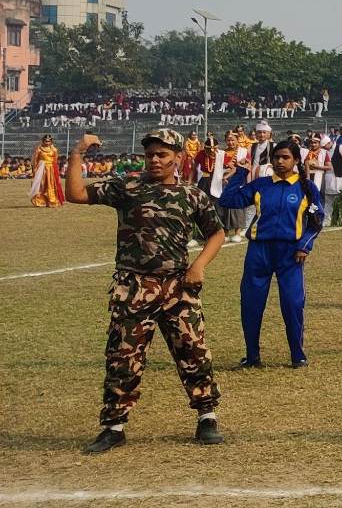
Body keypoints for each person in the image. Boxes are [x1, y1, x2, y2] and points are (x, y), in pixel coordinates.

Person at [69, 129, 228, 453]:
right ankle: (114, 426)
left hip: (177, 286)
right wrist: (77, 154)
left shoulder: (191, 194)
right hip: (134, 287)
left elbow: (217, 233)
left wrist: (198, 267)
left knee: (194, 353)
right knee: (122, 357)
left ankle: (206, 418)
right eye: (151, 154)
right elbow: (75, 194)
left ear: (178, 158)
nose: (155, 160)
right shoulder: (127, 187)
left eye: (163, 154)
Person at [216, 141, 325, 369]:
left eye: (285, 157)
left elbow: (317, 221)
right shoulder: (261, 185)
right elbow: (228, 200)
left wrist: (304, 246)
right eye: (276, 157)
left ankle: (298, 355)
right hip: (259, 252)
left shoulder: (307, 188)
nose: (279, 161)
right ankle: (252, 356)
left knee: (292, 303)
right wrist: (241, 173)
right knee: (251, 303)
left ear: (296, 160)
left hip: (291, 254)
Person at [30, 134, 64, 207]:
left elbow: (55, 160)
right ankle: (40, 201)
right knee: (41, 184)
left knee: (51, 184)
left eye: (49, 141)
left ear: (51, 141)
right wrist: (35, 170)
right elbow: (36, 160)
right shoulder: (39, 150)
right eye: (46, 141)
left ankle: (52, 200)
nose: (47, 143)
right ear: (43, 141)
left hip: (51, 169)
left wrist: (56, 170)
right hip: (41, 168)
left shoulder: (54, 150)